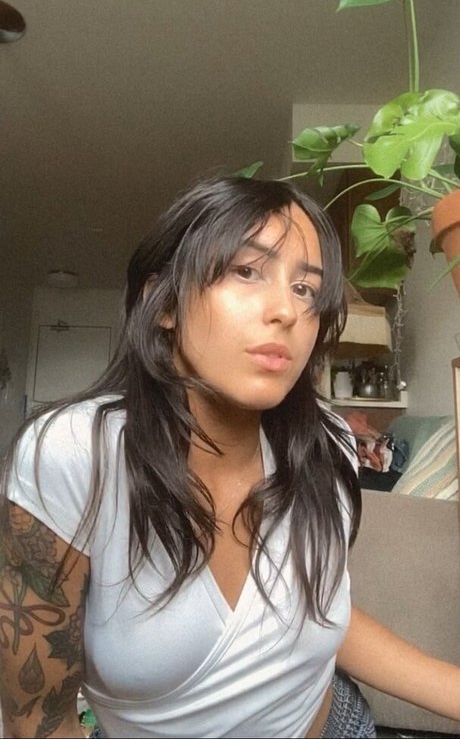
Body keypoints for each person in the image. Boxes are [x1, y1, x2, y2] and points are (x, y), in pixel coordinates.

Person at [0, 176, 459, 739]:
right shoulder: (75, 454)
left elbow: (317, 614)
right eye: (246, 271)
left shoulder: (327, 444)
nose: (286, 310)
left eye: (306, 290)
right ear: (163, 303)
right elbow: (37, 719)